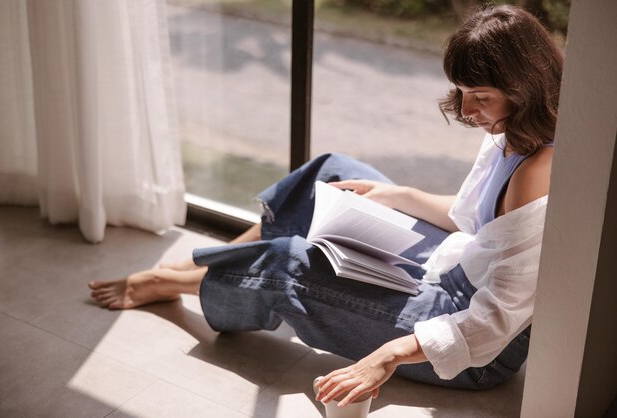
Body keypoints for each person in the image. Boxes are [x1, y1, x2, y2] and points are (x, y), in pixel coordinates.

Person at [89, 4, 563, 407]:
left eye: (480, 98)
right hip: (455, 263)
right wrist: (397, 197)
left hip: (471, 343)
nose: (466, 111)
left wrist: (388, 355)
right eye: (461, 93)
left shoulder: (540, 174)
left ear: (522, 87)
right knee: (331, 173)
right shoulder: (513, 130)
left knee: (289, 262)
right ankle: (221, 266)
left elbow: (494, 322)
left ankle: (172, 279)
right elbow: (474, 219)